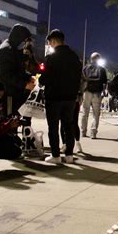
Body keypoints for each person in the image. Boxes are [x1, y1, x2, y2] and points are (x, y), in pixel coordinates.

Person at [39, 29, 82, 164]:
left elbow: (44, 78)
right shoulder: (74, 57)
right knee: (68, 125)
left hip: (54, 97)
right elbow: (78, 78)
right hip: (70, 98)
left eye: (50, 43)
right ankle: (69, 154)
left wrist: (40, 82)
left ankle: (55, 155)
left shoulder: (51, 57)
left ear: (53, 41)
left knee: (53, 126)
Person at [0, 24, 36, 116]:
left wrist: (29, 77)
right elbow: (6, 75)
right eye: (25, 40)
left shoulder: (14, 48)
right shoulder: (6, 49)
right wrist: (25, 85)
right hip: (8, 93)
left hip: (14, 91)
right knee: (10, 119)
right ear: (19, 38)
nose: (25, 43)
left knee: (15, 119)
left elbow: (17, 69)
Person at [81, 52, 107, 139]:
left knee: (85, 112)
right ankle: (93, 132)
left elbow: (82, 80)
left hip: (87, 91)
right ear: (99, 59)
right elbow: (104, 82)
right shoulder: (102, 69)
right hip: (97, 93)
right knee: (96, 114)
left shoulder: (85, 68)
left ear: (91, 59)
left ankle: (83, 131)